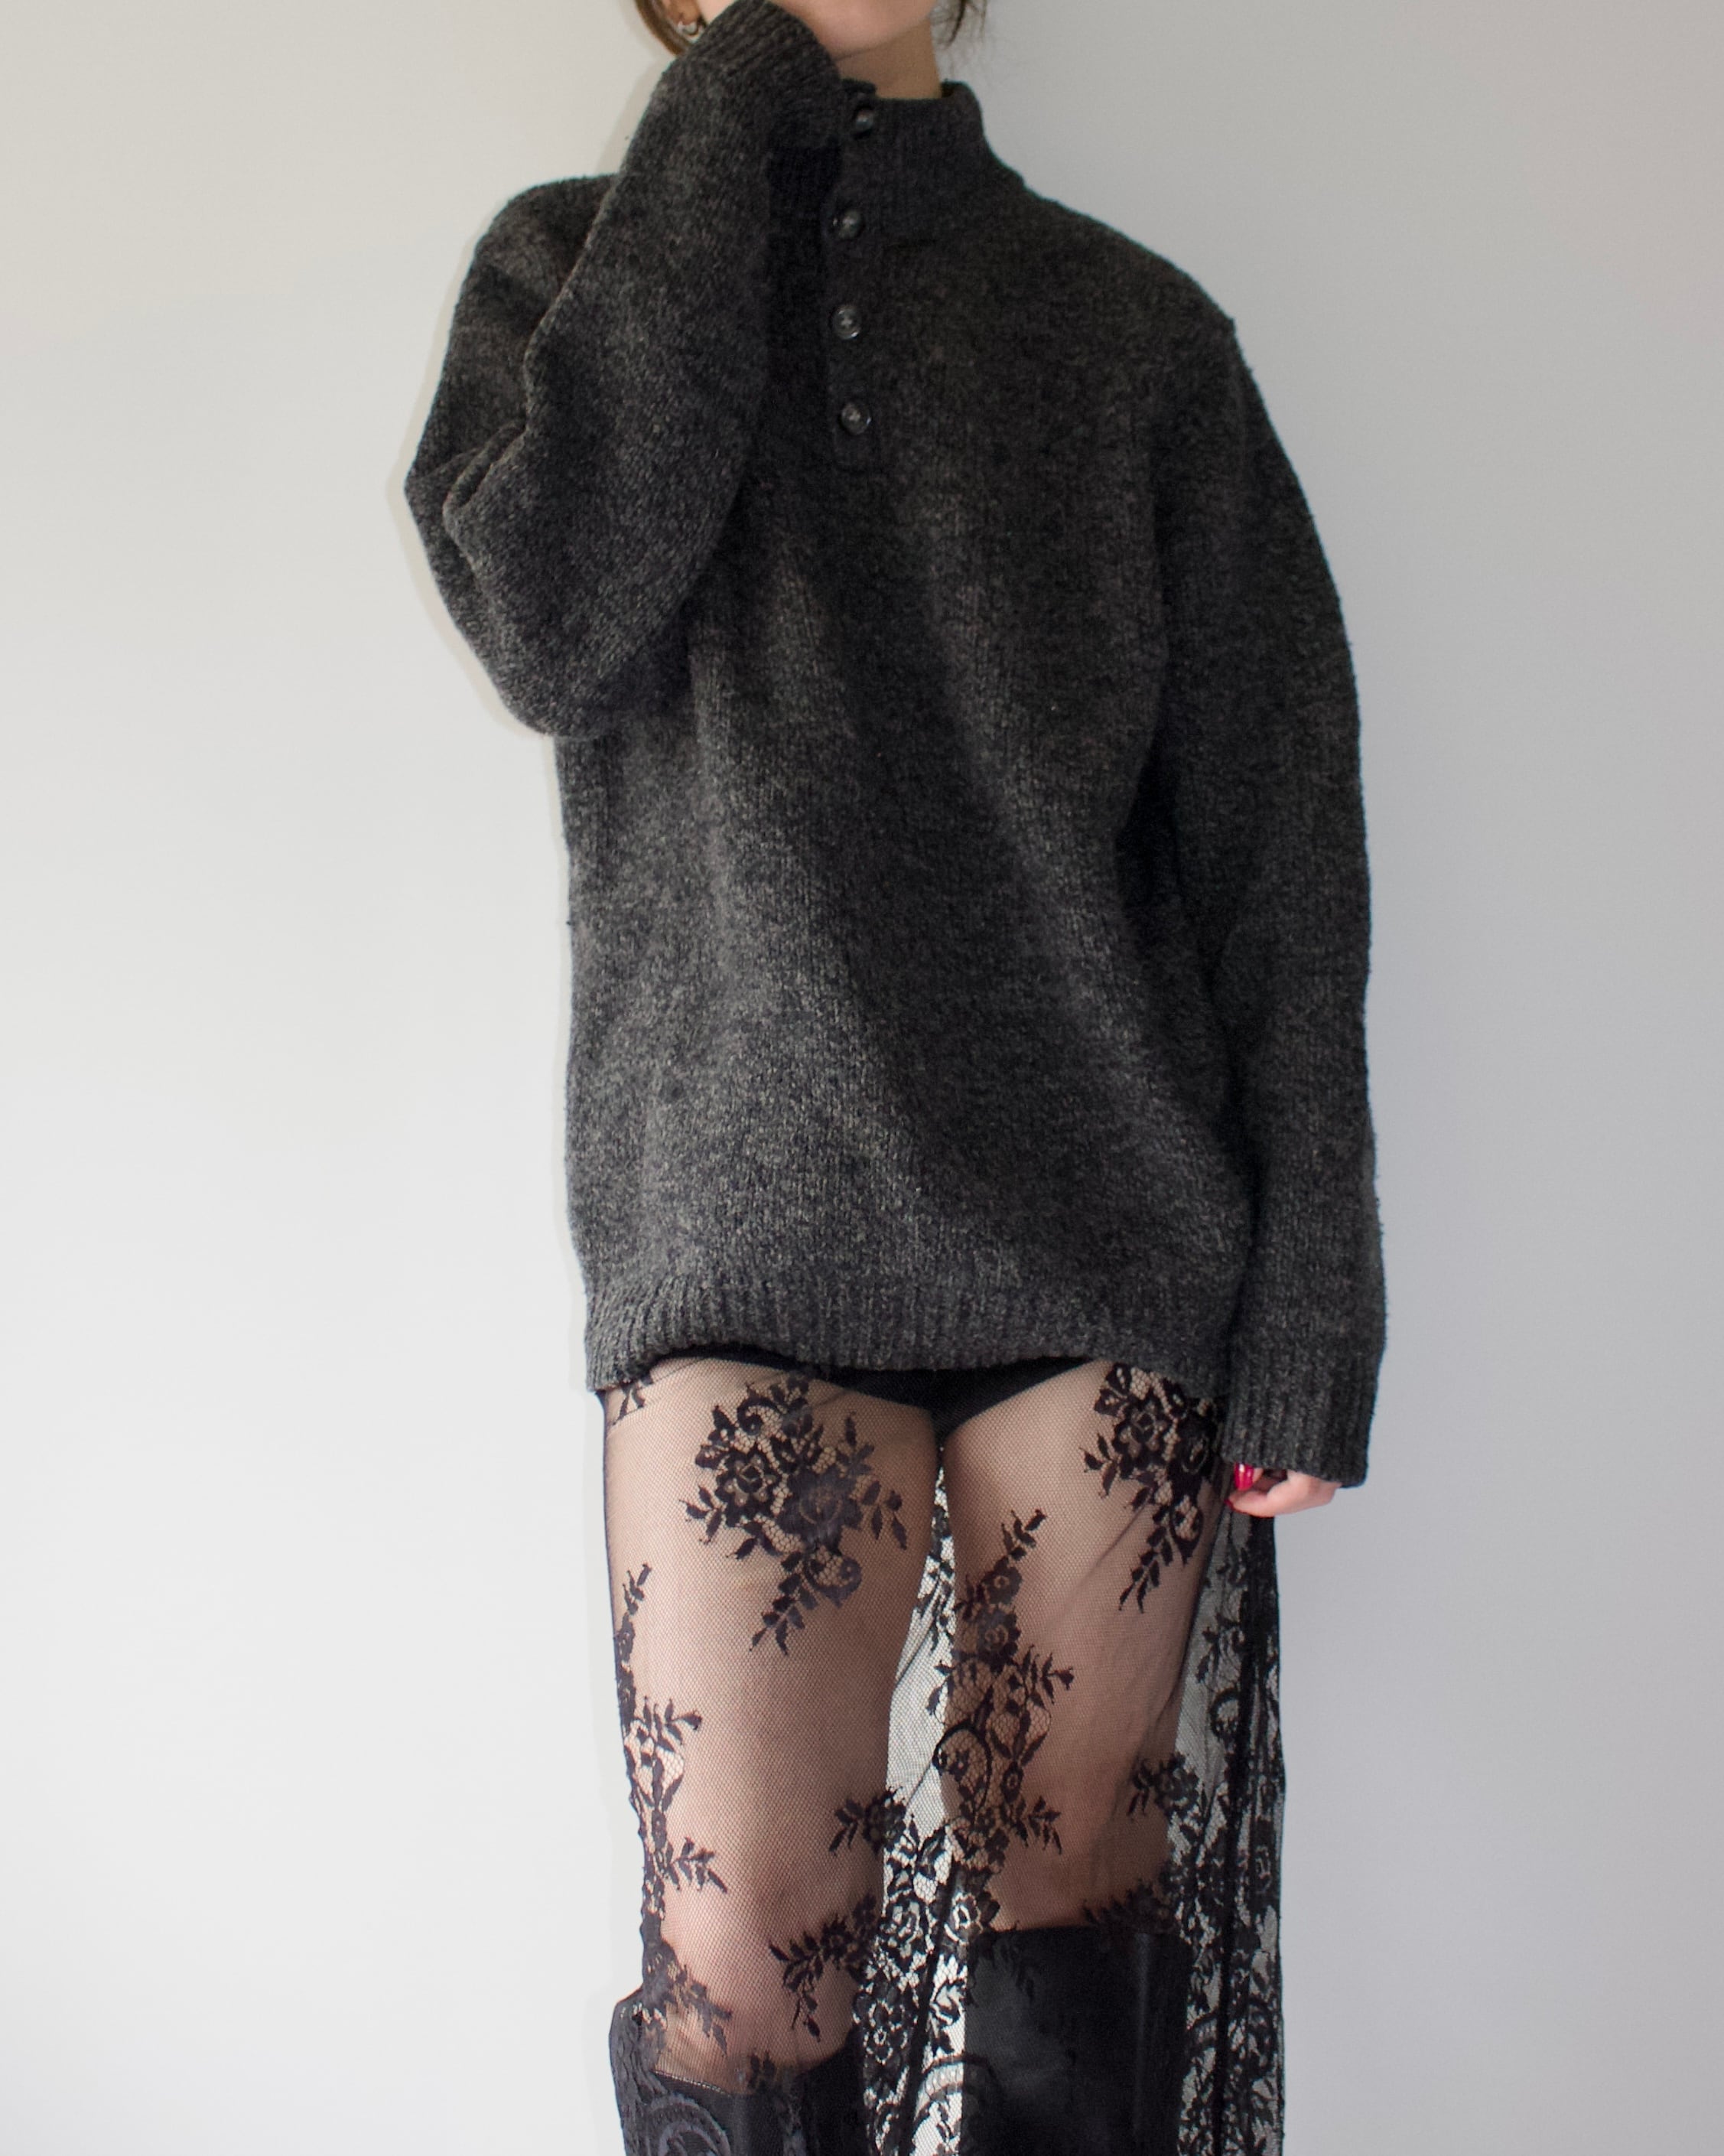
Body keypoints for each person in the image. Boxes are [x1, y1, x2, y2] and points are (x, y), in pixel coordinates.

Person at [402, 0, 1386, 2148]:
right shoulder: (572, 272)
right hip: (738, 1257)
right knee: (741, 1963)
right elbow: (548, 619)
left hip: (1105, 1245)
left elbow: (1279, 850)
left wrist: (1316, 1299)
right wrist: (739, 109)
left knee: (1081, 1954)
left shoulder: (1137, 340)